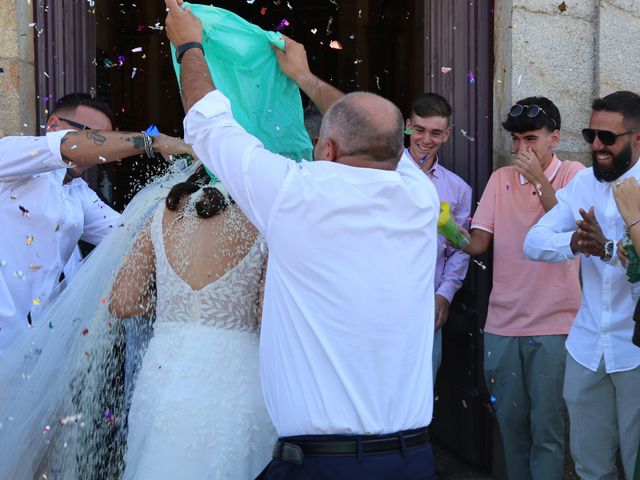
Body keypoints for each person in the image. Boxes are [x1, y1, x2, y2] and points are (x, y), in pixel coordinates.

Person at [165, 1, 440, 478]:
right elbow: (367, 128)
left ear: (326, 149)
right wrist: (306, 78)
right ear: (398, 150)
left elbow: (210, 122)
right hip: (412, 460)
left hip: (322, 465)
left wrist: (189, 44)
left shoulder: (294, 193)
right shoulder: (419, 196)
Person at [107, 164, 276, 479]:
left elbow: (122, 300)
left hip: (163, 370)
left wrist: (177, 308)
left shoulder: (162, 214)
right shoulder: (264, 219)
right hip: (237, 374)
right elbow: (267, 317)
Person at [0, 92, 192, 352]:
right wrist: (153, 142)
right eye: (90, 134)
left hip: (33, 348)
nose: (103, 150)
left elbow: (130, 232)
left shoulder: (79, 194)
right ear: (53, 125)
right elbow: (68, 146)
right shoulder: (11, 154)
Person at [457, 96, 584, 479]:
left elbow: (569, 228)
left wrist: (539, 180)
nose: (520, 149)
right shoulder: (500, 179)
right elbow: (478, 244)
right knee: (510, 430)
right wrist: (446, 229)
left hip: (555, 324)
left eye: (530, 138)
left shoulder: (575, 174)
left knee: (547, 431)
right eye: (515, 140)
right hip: (502, 323)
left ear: (555, 138)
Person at [523, 90, 640, 479]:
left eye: (608, 138)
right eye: (591, 134)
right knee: (590, 467)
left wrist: (609, 248)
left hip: (635, 349)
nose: (596, 145)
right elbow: (533, 241)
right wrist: (573, 242)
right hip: (587, 345)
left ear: (637, 137)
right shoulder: (583, 184)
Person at [404, 92, 471, 380]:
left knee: (422, 391)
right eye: (419, 130)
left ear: (447, 134)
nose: (425, 139)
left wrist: (445, 294)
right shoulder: (382, 175)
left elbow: (459, 249)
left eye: (435, 132)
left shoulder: (458, 189)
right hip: (380, 300)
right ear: (407, 126)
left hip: (429, 304)